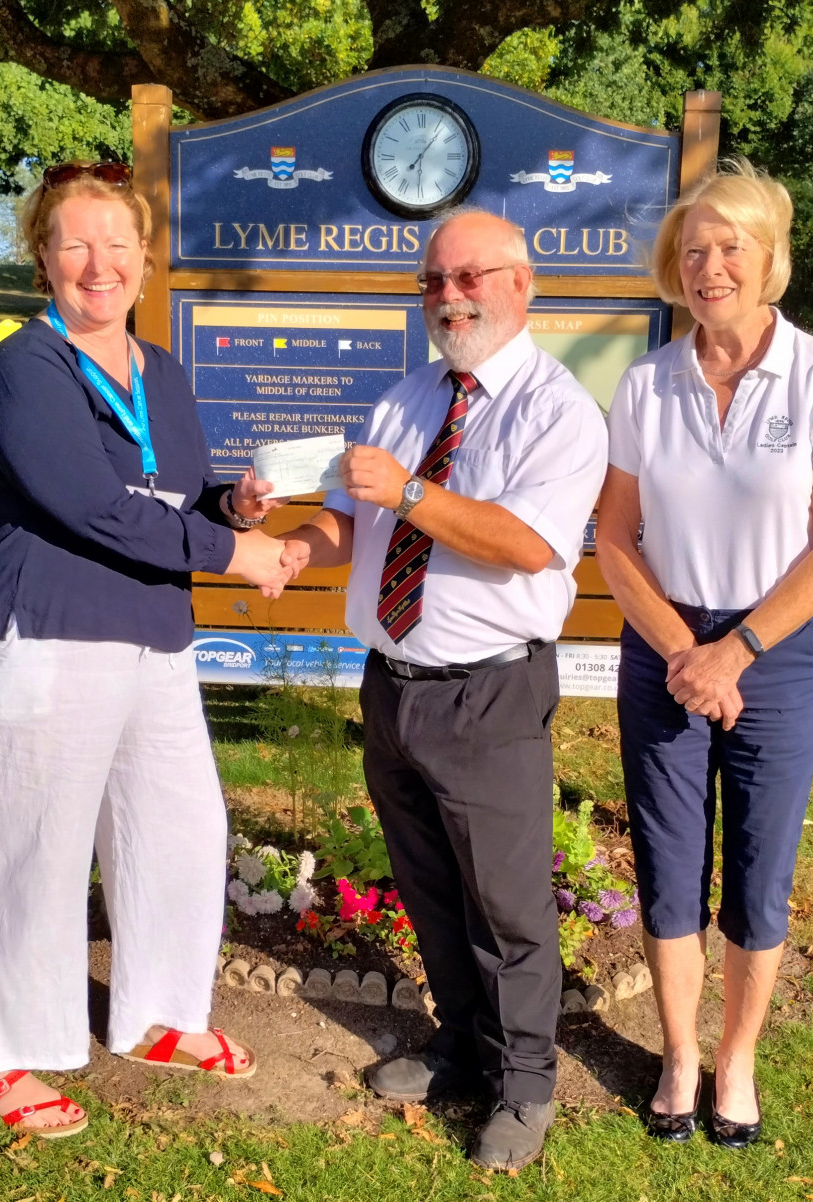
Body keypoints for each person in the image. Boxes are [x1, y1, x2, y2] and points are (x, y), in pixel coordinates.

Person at [0, 161, 290, 1136]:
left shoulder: (163, 372)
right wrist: (230, 547)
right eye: (73, 244)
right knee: (29, 850)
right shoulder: (28, 363)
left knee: (178, 832)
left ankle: (158, 1013)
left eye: (116, 244)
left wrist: (229, 502)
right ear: (44, 256)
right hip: (47, 633)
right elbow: (89, 504)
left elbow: (164, 491)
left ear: (144, 256)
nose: (97, 264)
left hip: (152, 637)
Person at [276, 210, 608, 1171]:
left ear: (521, 283)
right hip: (393, 686)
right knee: (428, 889)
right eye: (433, 282)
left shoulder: (559, 410)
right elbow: (353, 526)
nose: (449, 296)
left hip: (489, 694)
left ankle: (526, 1083)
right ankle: (458, 1047)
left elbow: (527, 544)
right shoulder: (405, 399)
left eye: (470, 277)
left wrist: (413, 493)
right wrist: (293, 542)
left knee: (506, 906)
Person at [595, 160, 813, 1148]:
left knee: (759, 868)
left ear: (768, 260)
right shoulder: (644, 382)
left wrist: (737, 650)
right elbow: (615, 537)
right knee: (670, 865)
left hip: (780, 649)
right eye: (694, 250)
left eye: (730, 247)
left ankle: (737, 1058)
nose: (709, 266)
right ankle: (677, 1053)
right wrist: (685, 650)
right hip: (665, 646)